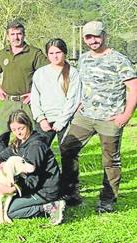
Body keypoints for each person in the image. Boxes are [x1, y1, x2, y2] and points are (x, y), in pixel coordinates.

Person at [59, 21, 137, 212]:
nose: (93, 40)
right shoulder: (84, 58)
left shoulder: (119, 60)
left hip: (110, 119)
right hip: (85, 117)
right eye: (88, 37)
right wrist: (77, 107)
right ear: (84, 39)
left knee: (110, 160)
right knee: (67, 147)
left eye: (96, 36)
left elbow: (133, 88)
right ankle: (71, 192)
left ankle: (107, 200)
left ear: (104, 36)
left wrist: (126, 115)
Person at [0, 110, 64, 225]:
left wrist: (13, 189)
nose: (18, 133)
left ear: (28, 125)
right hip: (31, 186)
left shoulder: (36, 147)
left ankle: (50, 207)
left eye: (21, 128)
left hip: (44, 190)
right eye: (14, 130)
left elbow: (33, 179)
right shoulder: (18, 143)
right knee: (8, 203)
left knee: (10, 211)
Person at [0, 20, 48, 145]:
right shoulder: (3, 53)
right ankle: (1, 162)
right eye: (12, 34)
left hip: (27, 103)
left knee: (31, 137)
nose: (16, 37)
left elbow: (48, 74)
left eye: (19, 34)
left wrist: (34, 93)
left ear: (24, 35)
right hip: (8, 101)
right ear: (7, 36)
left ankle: (30, 161)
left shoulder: (34, 53)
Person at [30, 38, 81, 146]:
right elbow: (35, 98)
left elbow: (73, 99)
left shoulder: (72, 73)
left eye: (58, 52)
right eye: (51, 53)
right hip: (44, 120)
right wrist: (41, 119)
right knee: (38, 150)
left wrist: (61, 122)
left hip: (66, 120)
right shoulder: (40, 73)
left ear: (65, 53)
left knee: (68, 153)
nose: (55, 56)